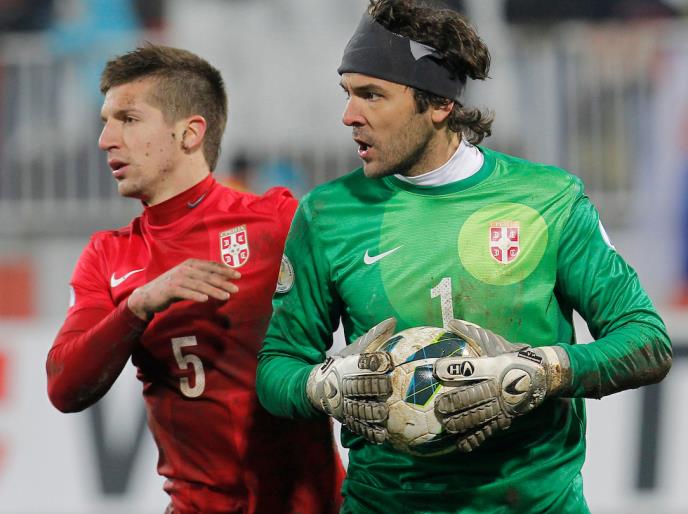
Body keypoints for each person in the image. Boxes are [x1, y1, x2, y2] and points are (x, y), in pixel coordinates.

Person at [256, 1, 672, 513]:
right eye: (347, 93)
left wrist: (542, 371)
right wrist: (323, 386)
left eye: (372, 95)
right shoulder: (327, 214)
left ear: (438, 104)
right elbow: (276, 367)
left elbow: (647, 341)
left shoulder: (548, 200)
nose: (349, 116)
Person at [46, 44, 344, 514]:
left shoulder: (278, 223)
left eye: (128, 119)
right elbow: (65, 388)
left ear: (189, 133)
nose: (105, 139)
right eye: (105, 122)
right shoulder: (108, 255)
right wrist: (138, 306)